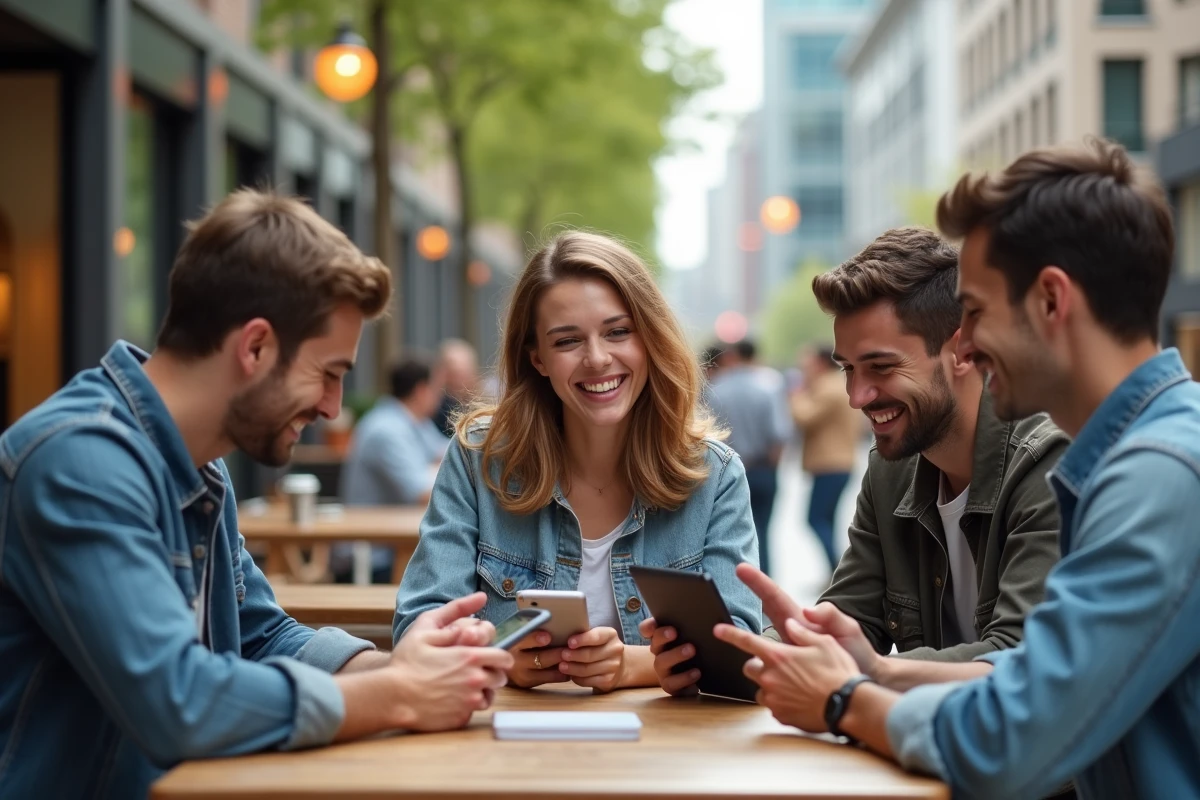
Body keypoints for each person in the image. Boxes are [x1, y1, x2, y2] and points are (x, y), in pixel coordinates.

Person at [715, 138, 1197, 800]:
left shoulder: (1159, 477)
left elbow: (1015, 737)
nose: (963, 343)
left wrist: (846, 699)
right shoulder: (1144, 459)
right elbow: (1029, 673)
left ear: (1052, 301)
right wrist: (855, 669)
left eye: (973, 312)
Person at [0, 190, 512, 798]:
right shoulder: (78, 463)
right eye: (328, 374)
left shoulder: (198, 467)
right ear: (255, 346)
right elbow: (179, 701)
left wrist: (406, 667)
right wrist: (401, 695)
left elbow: (262, 637)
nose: (331, 408)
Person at [648, 226, 1066, 699]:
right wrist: (727, 656)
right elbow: (851, 620)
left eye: (881, 367)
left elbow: (1022, 660)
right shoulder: (893, 470)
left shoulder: (1046, 463)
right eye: (848, 369)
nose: (856, 396)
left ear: (963, 351)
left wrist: (874, 672)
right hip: (929, 758)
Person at [394, 231, 761, 693]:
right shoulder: (478, 461)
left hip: (665, 756)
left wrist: (632, 665)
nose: (597, 358)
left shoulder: (715, 476)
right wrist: (502, 655)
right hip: (502, 750)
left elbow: (742, 652)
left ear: (649, 339)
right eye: (568, 341)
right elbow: (417, 628)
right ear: (538, 359)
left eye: (618, 332)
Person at [336, 354, 451, 582]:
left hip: (394, 548)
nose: (440, 397)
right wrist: (435, 470)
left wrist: (433, 468)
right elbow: (421, 492)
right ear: (421, 390)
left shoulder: (414, 421)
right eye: (437, 389)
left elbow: (451, 455)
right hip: (369, 559)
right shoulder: (385, 429)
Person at [707, 339, 791, 575]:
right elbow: (780, 433)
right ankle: (764, 590)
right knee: (762, 531)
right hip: (762, 468)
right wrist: (772, 467)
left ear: (732, 357)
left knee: (726, 536)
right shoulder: (768, 387)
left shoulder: (716, 389)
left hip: (722, 473)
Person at [789, 344, 864, 574]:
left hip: (830, 465)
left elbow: (804, 417)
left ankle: (839, 570)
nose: (804, 369)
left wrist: (795, 395)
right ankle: (837, 572)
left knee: (815, 519)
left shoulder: (826, 387)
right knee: (826, 520)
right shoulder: (838, 385)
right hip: (840, 463)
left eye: (807, 364)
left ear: (820, 363)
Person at [432, 338, 480, 437]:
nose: (462, 380)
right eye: (456, 374)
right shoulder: (434, 409)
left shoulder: (478, 406)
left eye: (466, 373)